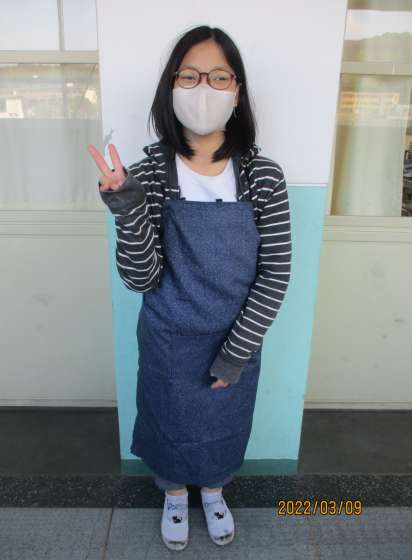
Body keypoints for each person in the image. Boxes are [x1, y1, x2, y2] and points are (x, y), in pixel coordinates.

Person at [88, 24, 292, 551]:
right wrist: (127, 207)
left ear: (237, 90)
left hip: (236, 338)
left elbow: (276, 271)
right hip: (168, 339)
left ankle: (215, 491)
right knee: (169, 423)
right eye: (190, 76)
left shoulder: (264, 176)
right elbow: (141, 277)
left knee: (224, 426)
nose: (204, 89)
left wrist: (235, 353)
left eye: (219, 77)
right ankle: (175, 495)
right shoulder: (150, 172)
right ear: (171, 86)